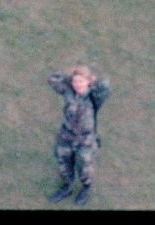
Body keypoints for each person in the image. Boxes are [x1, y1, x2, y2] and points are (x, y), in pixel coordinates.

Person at [47, 64, 111, 205]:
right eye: (75, 81)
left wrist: (94, 81)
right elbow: (51, 79)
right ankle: (67, 187)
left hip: (85, 141)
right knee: (64, 164)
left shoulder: (94, 96)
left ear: (88, 81)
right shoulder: (68, 90)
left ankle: (86, 188)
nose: (78, 85)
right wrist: (70, 77)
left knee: (85, 168)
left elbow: (105, 86)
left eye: (81, 81)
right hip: (66, 137)